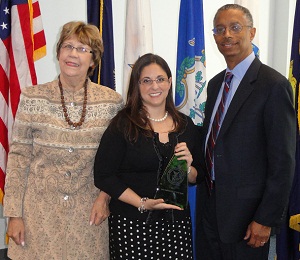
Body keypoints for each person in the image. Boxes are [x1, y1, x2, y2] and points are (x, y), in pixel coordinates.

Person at [4, 21, 123, 259]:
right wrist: (14, 215)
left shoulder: (112, 102)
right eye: (68, 46)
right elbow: (18, 158)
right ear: (58, 52)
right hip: (37, 218)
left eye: (82, 49)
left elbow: (117, 160)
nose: (73, 54)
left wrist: (104, 196)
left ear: (93, 60)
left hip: (89, 216)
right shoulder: (32, 97)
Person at [198, 4, 296, 260]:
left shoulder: (273, 86)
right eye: (219, 29)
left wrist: (265, 219)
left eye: (235, 27)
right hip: (210, 207)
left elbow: (283, 161)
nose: (227, 35)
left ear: (251, 33)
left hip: (248, 219)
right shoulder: (216, 84)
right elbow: (214, 142)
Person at [94, 53, 204, 259]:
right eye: (147, 81)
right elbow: (103, 175)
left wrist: (188, 168)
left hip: (176, 227)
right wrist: (142, 203)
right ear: (137, 85)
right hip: (131, 224)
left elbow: (199, 176)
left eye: (160, 79)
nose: (155, 86)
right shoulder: (123, 125)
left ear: (170, 82)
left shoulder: (186, 126)